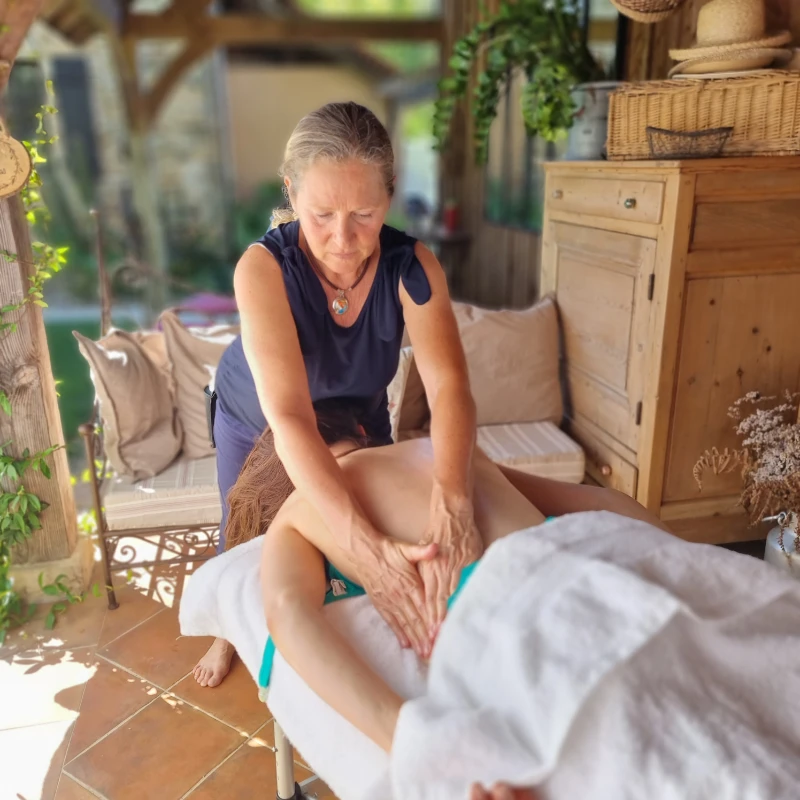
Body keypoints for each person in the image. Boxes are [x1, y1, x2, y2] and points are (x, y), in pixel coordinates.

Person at [224, 398, 668, 798]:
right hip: (595, 576)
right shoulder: (449, 457)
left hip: (526, 628)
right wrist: (684, 562)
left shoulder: (296, 512)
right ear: (362, 432)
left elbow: (287, 613)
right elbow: (605, 500)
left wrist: (412, 742)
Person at [194, 101, 479, 687]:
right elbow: (292, 417)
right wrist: (365, 550)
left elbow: (451, 389)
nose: (343, 239)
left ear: (390, 198)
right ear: (291, 192)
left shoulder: (414, 266)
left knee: (376, 511)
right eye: (322, 214)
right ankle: (225, 632)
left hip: (356, 407)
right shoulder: (263, 268)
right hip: (263, 415)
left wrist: (454, 503)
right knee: (242, 526)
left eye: (365, 213)